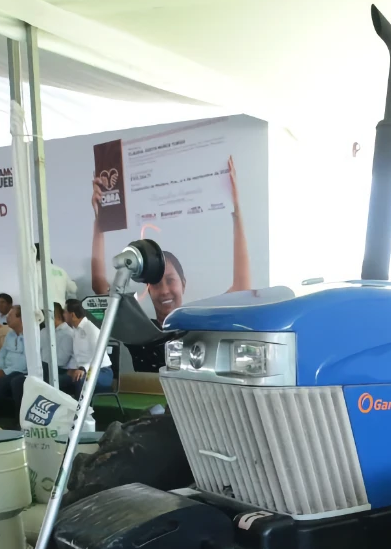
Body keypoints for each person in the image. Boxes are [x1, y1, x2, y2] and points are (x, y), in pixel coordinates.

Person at [90, 155, 253, 324]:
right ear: (149, 290)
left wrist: (236, 210)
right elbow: (99, 285)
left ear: (183, 284)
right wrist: (100, 219)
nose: (164, 291)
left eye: (170, 280)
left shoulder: (197, 325)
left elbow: (241, 289)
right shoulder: (141, 329)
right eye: (156, 284)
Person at [61, 298, 111, 397]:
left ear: (72, 315)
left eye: (65, 312)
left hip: (102, 372)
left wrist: (83, 369)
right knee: (57, 380)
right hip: (82, 371)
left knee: (81, 380)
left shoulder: (91, 329)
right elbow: (77, 356)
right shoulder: (75, 330)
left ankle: (82, 407)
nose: (63, 315)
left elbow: (98, 355)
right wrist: (72, 369)